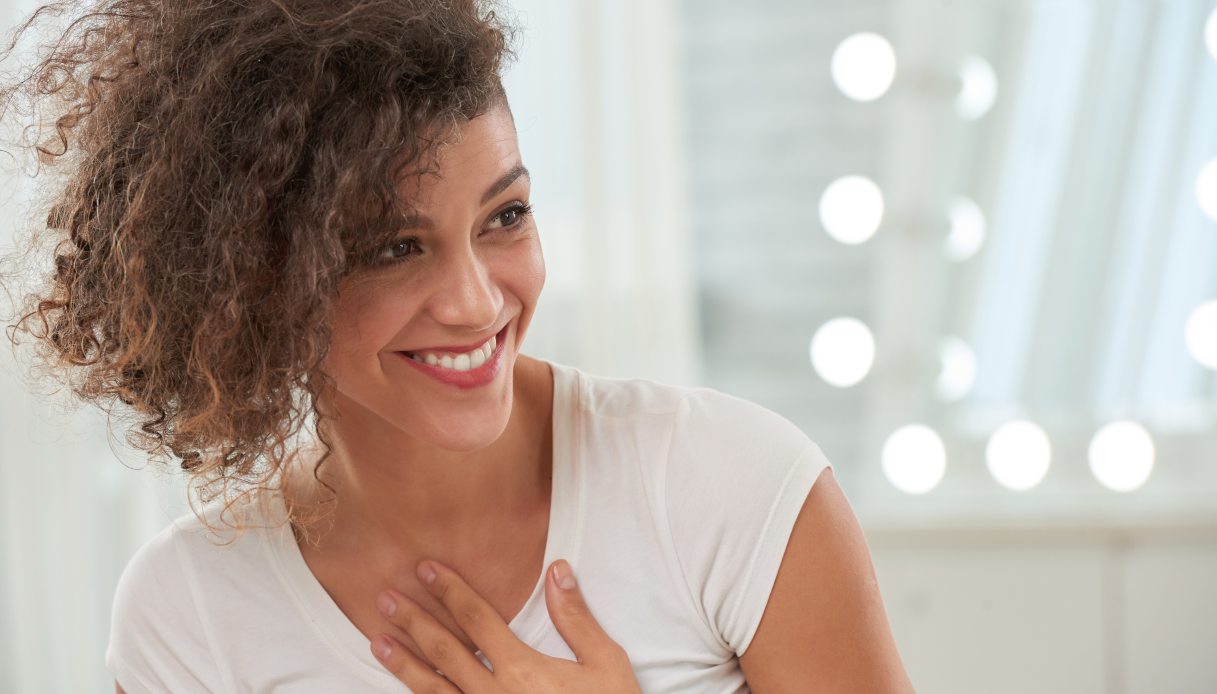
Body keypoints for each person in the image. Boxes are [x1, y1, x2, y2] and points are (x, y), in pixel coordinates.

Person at [1, 0, 915, 691]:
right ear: (254, 284)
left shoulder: (730, 488)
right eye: (395, 249)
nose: (477, 303)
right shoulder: (189, 614)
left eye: (504, 216)